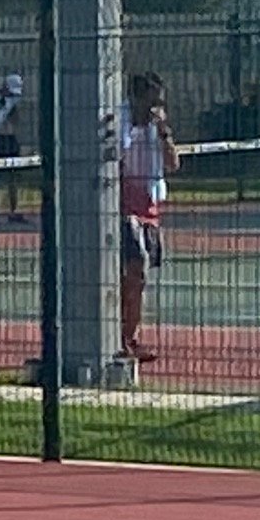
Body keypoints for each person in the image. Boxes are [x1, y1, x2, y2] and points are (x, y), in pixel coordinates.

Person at [119, 72, 180, 365]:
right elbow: (117, 153)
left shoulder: (159, 128)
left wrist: (164, 132)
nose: (157, 106)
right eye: (152, 100)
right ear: (138, 98)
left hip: (150, 203)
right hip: (126, 202)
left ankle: (130, 334)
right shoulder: (123, 119)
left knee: (139, 278)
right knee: (135, 266)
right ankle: (124, 338)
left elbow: (173, 163)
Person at [0, 73, 26, 225]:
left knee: (13, 178)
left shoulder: (14, 101)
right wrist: (6, 106)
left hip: (10, 140)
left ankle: (13, 211)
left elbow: (16, 122)